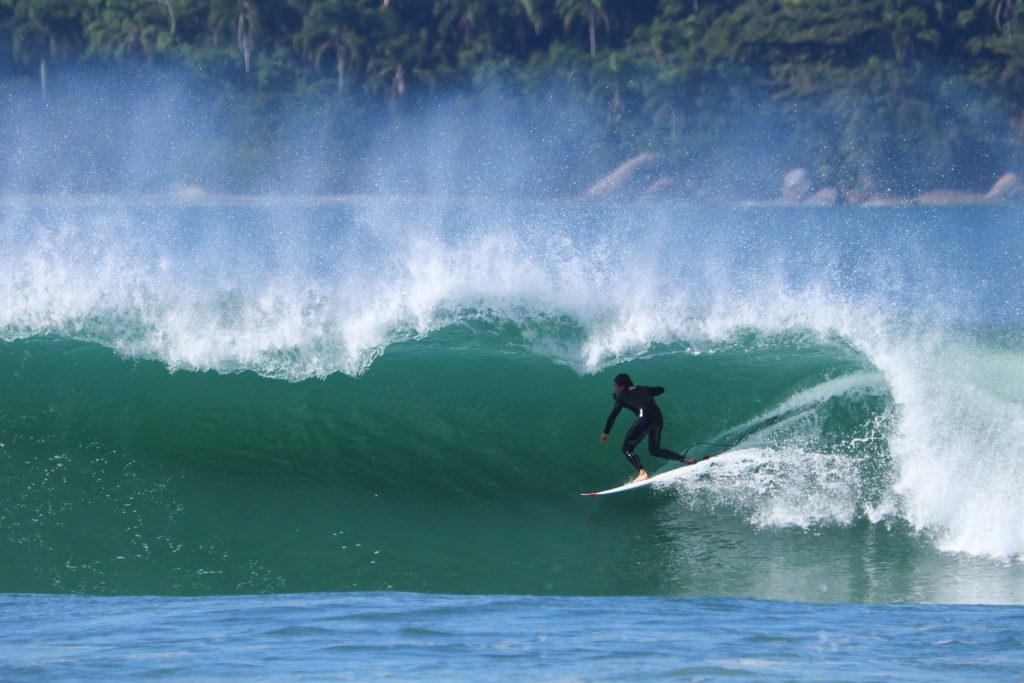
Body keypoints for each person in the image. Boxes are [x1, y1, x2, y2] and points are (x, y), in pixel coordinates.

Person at [600, 372, 695, 483]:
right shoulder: (642, 388)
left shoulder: (621, 397)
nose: (614, 388)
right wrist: (646, 392)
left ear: (622, 386)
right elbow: (660, 389)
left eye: (616, 385)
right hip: (658, 419)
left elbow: (613, 415)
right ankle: (685, 459)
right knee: (655, 450)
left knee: (627, 449)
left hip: (644, 420)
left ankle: (642, 473)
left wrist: (606, 432)